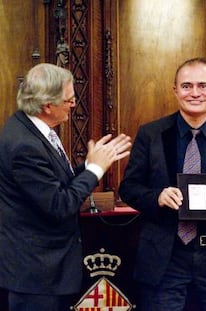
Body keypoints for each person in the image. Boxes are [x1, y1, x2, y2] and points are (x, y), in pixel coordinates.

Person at [119, 57, 206, 311]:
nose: (195, 93)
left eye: (203, 86)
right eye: (186, 86)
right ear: (175, 91)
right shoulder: (151, 135)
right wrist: (157, 197)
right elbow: (129, 187)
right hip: (165, 258)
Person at [0, 63, 131, 310]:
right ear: (47, 106)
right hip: (36, 276)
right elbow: (59, 204)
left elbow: (56, 183)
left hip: (47, 273)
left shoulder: (33, 128)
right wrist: (95, 169)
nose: (73, 104)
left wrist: (91, 163)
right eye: (68, 100)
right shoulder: (23, 146)